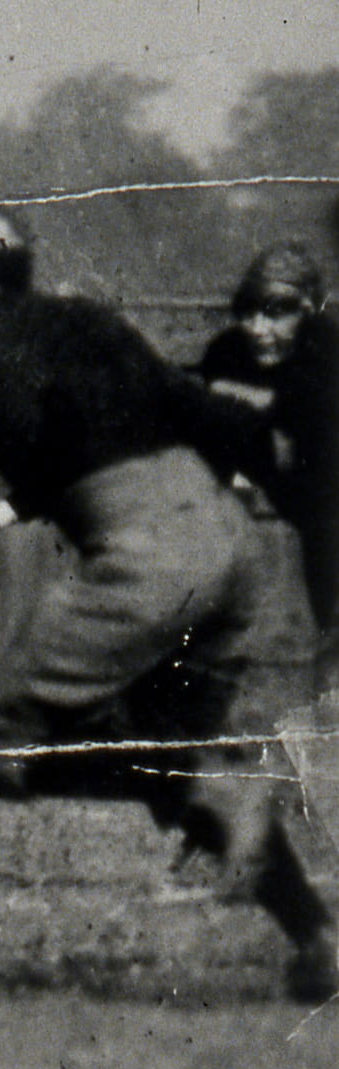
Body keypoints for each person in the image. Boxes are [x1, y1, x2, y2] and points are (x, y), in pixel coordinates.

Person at [0, 205, 338, 1001]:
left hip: (148, 555)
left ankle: (224, 793)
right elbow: (195, 416)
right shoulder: (83, 319)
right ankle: (317, 936)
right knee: (178, 765)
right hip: (231, 547)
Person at [194, 242, 336, 724]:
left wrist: (258, 404)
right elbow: (215, 420)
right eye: (249, 312)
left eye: (278, 314)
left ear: (310, 311)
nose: (259, 328)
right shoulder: (228, 351)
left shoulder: (327, 353)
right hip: (279, 486)